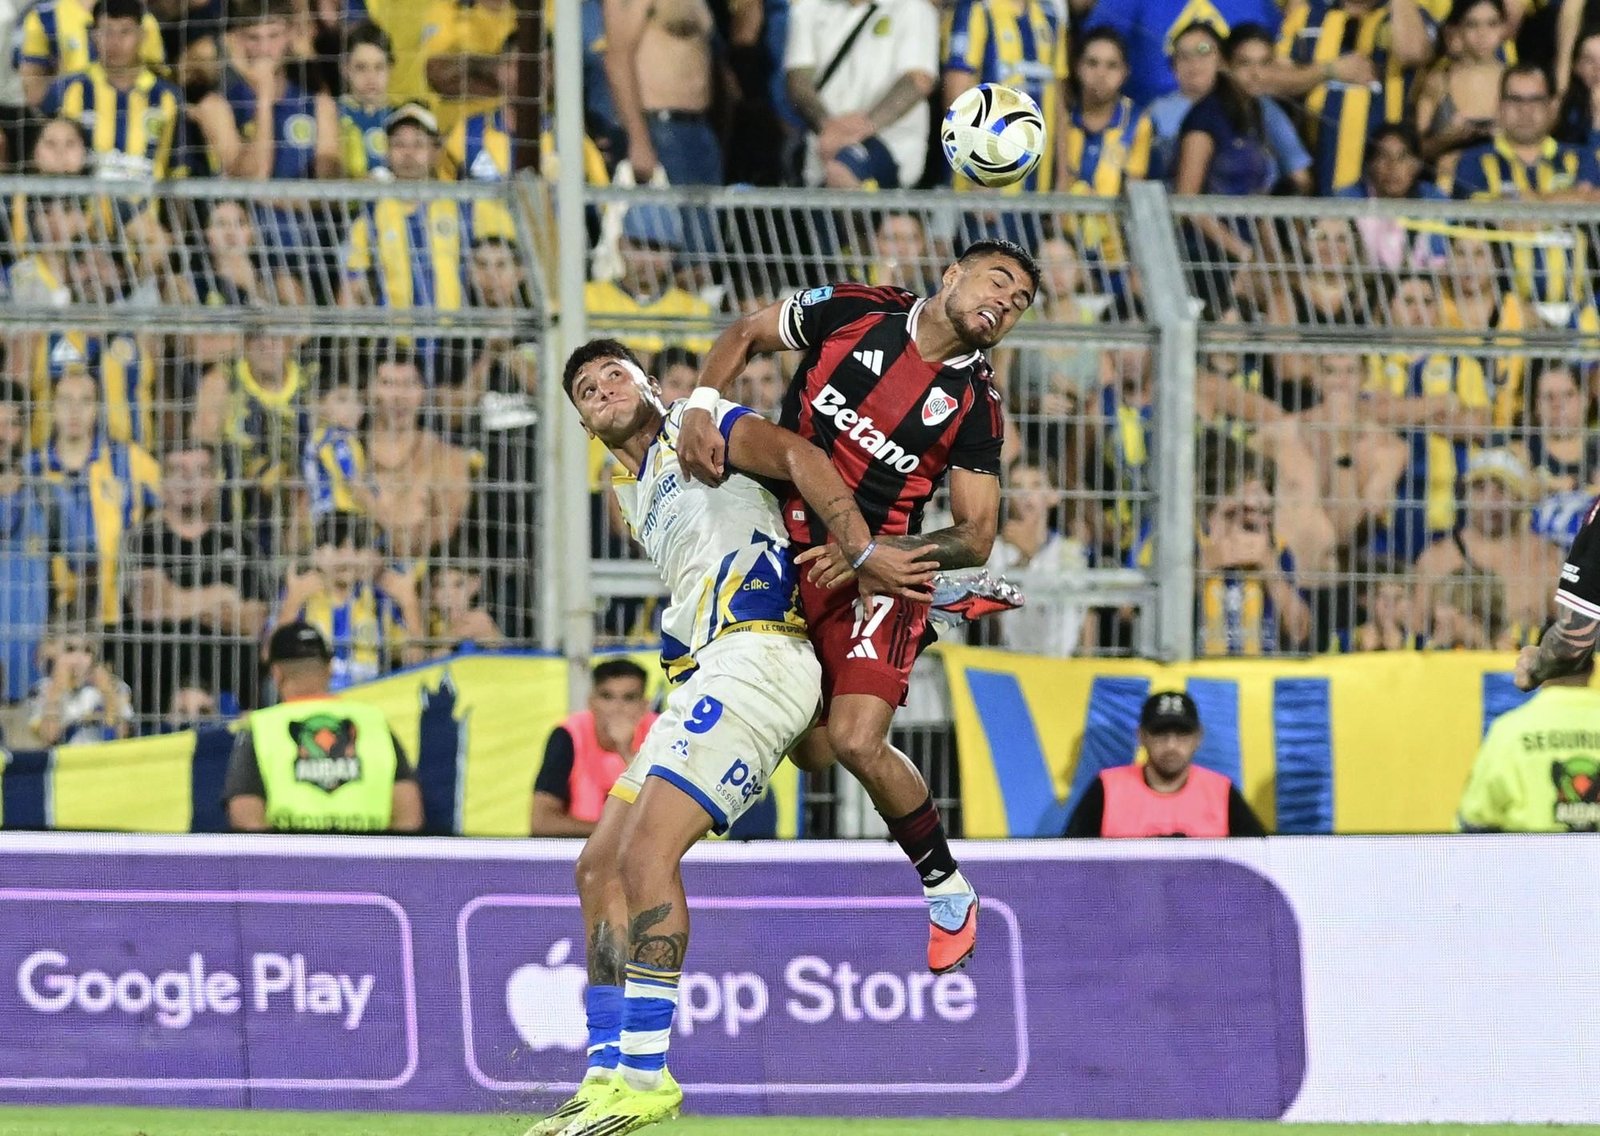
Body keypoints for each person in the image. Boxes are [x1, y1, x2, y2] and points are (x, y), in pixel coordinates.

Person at [528, 339, 934, 1136]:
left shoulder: (700, 425)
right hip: (701, 675)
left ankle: (646, 1079)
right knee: (597, 866)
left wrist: (857, 548)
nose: (604, 388)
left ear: (650, 384)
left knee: (647, 857)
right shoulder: (628, 490)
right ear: (581, 419)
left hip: (758, 658)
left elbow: (799, 454)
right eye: (587, 386)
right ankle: (605, 1074)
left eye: (616, 373)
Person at [674, 240, 1040, 978]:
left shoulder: (976, 407)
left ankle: (945, 887)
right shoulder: (856, 311)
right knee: (807, 752)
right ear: (951, 276)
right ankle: (933, 613)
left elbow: (975, 535)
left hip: (875, 570)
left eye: (1022, 302)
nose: (1007, 302)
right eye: (999, 280)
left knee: (854, 742)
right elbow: (745, 331)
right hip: (782, 535)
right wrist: (697, 411)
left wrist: (871, 550)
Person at [222, 620, 423, 833]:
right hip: (365, 862)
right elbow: (409, 811)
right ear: (329, 669)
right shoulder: (373, 722)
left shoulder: (260, 727)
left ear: (277, 673)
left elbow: (244, 813)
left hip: (293, 863)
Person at [122, 441, 268, 719]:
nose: (189, 480)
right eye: (179, 471)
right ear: (162, 483)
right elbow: (150, 606)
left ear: (214, 480)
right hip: (155, 694)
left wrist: (176, 600)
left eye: (200, 471)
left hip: (233, 693)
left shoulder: (241, 542)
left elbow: (253, 622)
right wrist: (222, 596)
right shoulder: (141, 540)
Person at [1064, 690, 1267, 837]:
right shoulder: (1107, 788)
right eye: (1160, 734)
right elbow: (1071, 862)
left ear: (1199, 738)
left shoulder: (1221, 791)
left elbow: (1260, 861)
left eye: (1182, 734)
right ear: (1141, 736)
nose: (1171, 745)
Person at [783, 0, 939, 189]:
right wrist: (828, 128)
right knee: (829, 189)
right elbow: (798, 81)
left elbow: (917, 81)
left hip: (890, 147)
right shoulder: (807, 8)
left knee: (842, 172)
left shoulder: (913, 9)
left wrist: (859, 129)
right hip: (821, 152)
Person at [40, 0, 183, 180]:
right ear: (92, 35)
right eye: (107, 32)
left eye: (125, 32)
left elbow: (180, 169)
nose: (115, 42)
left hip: (146, 207)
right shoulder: (66, 89)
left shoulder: (168, 96)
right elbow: (41, 163)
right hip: (81, 207)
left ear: (143, 35)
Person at [1462, 653, 1600, 831]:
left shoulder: (1508, 730)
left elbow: (1476, 815)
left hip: (1529, 856)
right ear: (1593, 668)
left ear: (1540, 669)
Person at [530, 659, 656, 837]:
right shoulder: (569, 735)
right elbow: (541, 822)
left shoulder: (660, 733)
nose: (617, 708)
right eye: (607, 697)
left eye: (629, 698)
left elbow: (666, 815)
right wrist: (613, 833)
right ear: (591, 703)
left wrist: (626, 751)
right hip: (579, 852)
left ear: (644, 706)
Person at [15, 0, 163, 108]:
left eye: (124, 32)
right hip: (68, 118)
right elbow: (33, 92)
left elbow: (160, 82)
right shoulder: (44, 15)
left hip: (137, 118)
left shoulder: (142, 20)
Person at [27, 624, 135, 745]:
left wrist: (107, 693)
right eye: (70, 650)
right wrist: (57, 689)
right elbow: (49, 737)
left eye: (87, 650)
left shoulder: (117, 686)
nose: (79, 658)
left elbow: (122, 736)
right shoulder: (41, 689)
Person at [336, 21, 399, 179]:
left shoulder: (402, 118)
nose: (371, 78)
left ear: (390, 68)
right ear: (345, 68)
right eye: (361, 67)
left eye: (379, 67)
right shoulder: (332, 116)